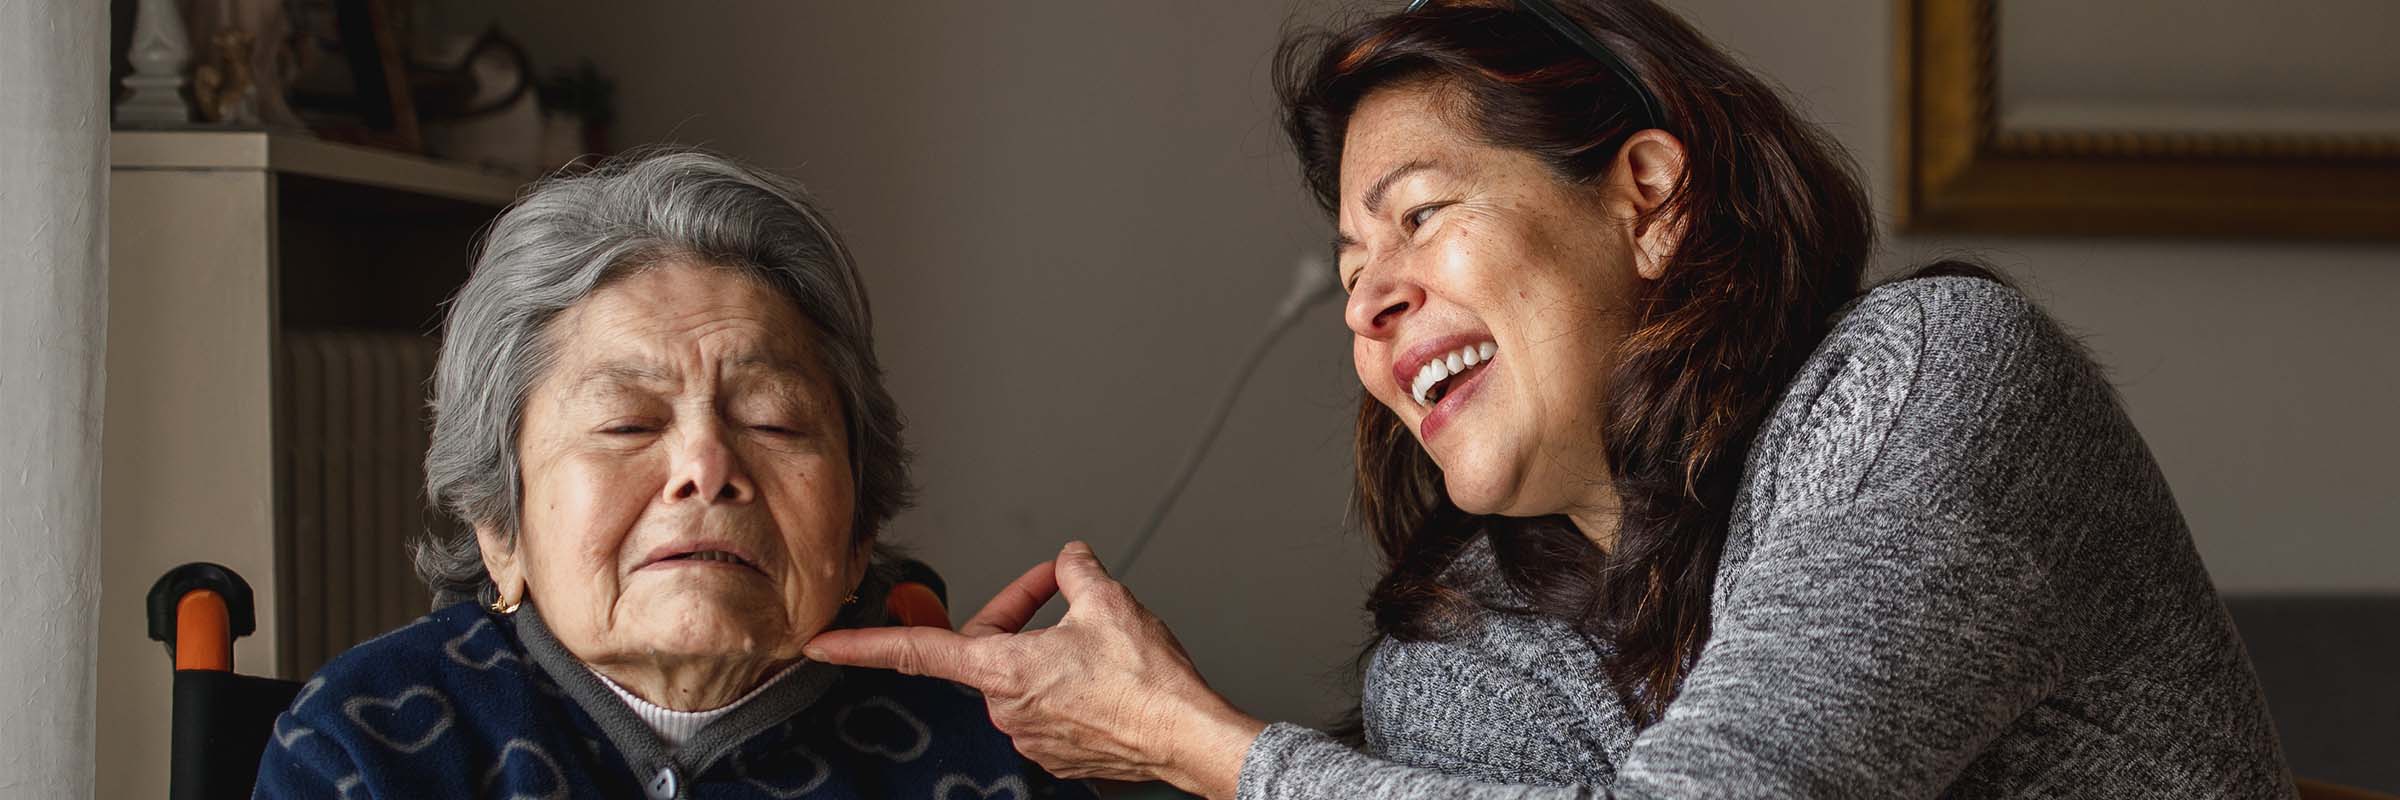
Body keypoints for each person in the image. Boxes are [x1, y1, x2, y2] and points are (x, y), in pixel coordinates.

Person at [802, 1, 2296, 797]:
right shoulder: (1473, 646)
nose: (1368, 299)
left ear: (1646, 196)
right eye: (1347, 261)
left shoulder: (1932, 388)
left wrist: (1201, 746)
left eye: (1422, 211)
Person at [255, 150, 1092, 800]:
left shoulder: (995, 761)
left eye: (773, 421)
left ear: (858, 526)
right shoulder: (371, 748)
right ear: (499, 526)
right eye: (627, 423)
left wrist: (1189, 735)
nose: (705, 468)